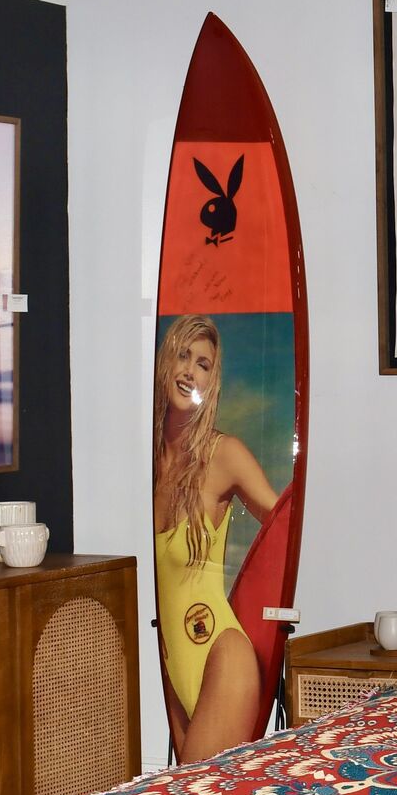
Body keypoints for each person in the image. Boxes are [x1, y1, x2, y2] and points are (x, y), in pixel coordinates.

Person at [152, 314, 279, 762]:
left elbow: (286, 525)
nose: (189, 371)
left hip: (222, 658)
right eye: (182, 356)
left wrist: (266, 611)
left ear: (212, 379)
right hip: (173, 661)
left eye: (202, 364)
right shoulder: (148, 462)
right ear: (165, 363)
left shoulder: (223, 454)